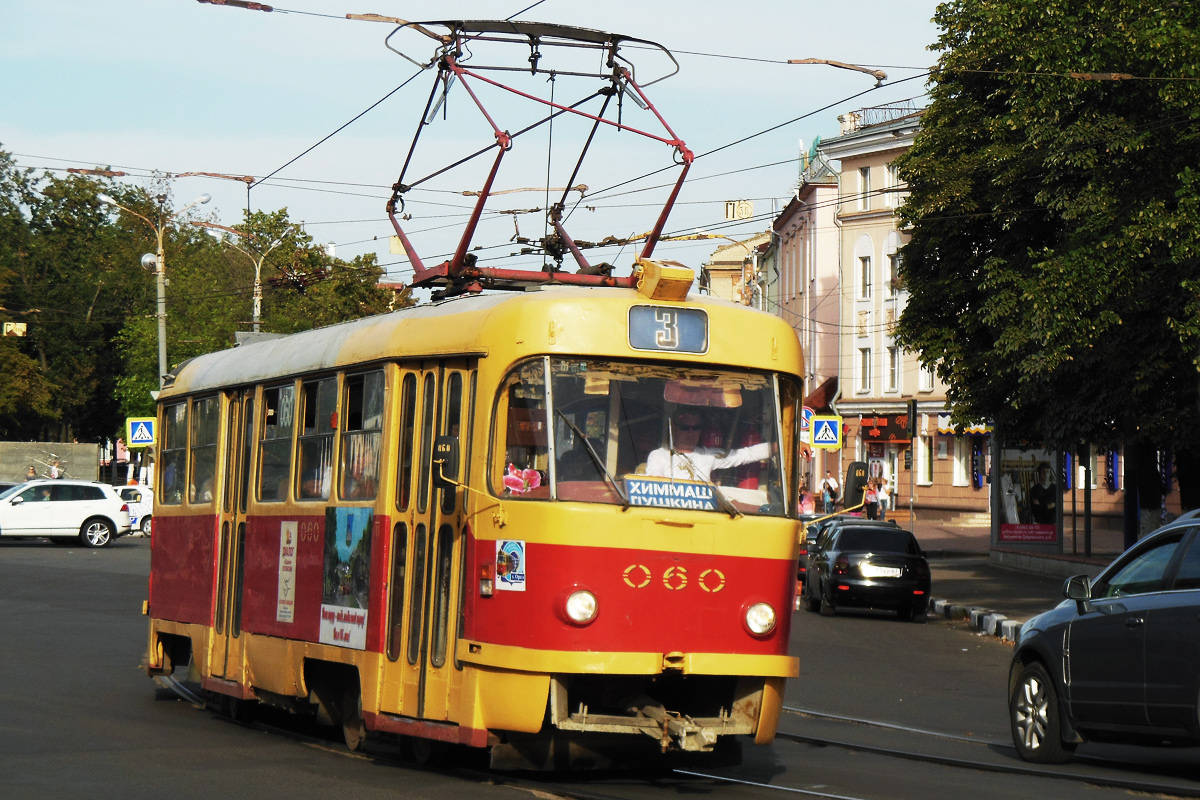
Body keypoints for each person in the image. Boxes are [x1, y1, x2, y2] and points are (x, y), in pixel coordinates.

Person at [644, 409, 772, 483]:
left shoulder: (708, 455)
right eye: (685, 427)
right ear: (674, 429)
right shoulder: (659, 455)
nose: (691, 432)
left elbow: (747, 454)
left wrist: (779, 447)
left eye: (696, 428)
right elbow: (656, 481)